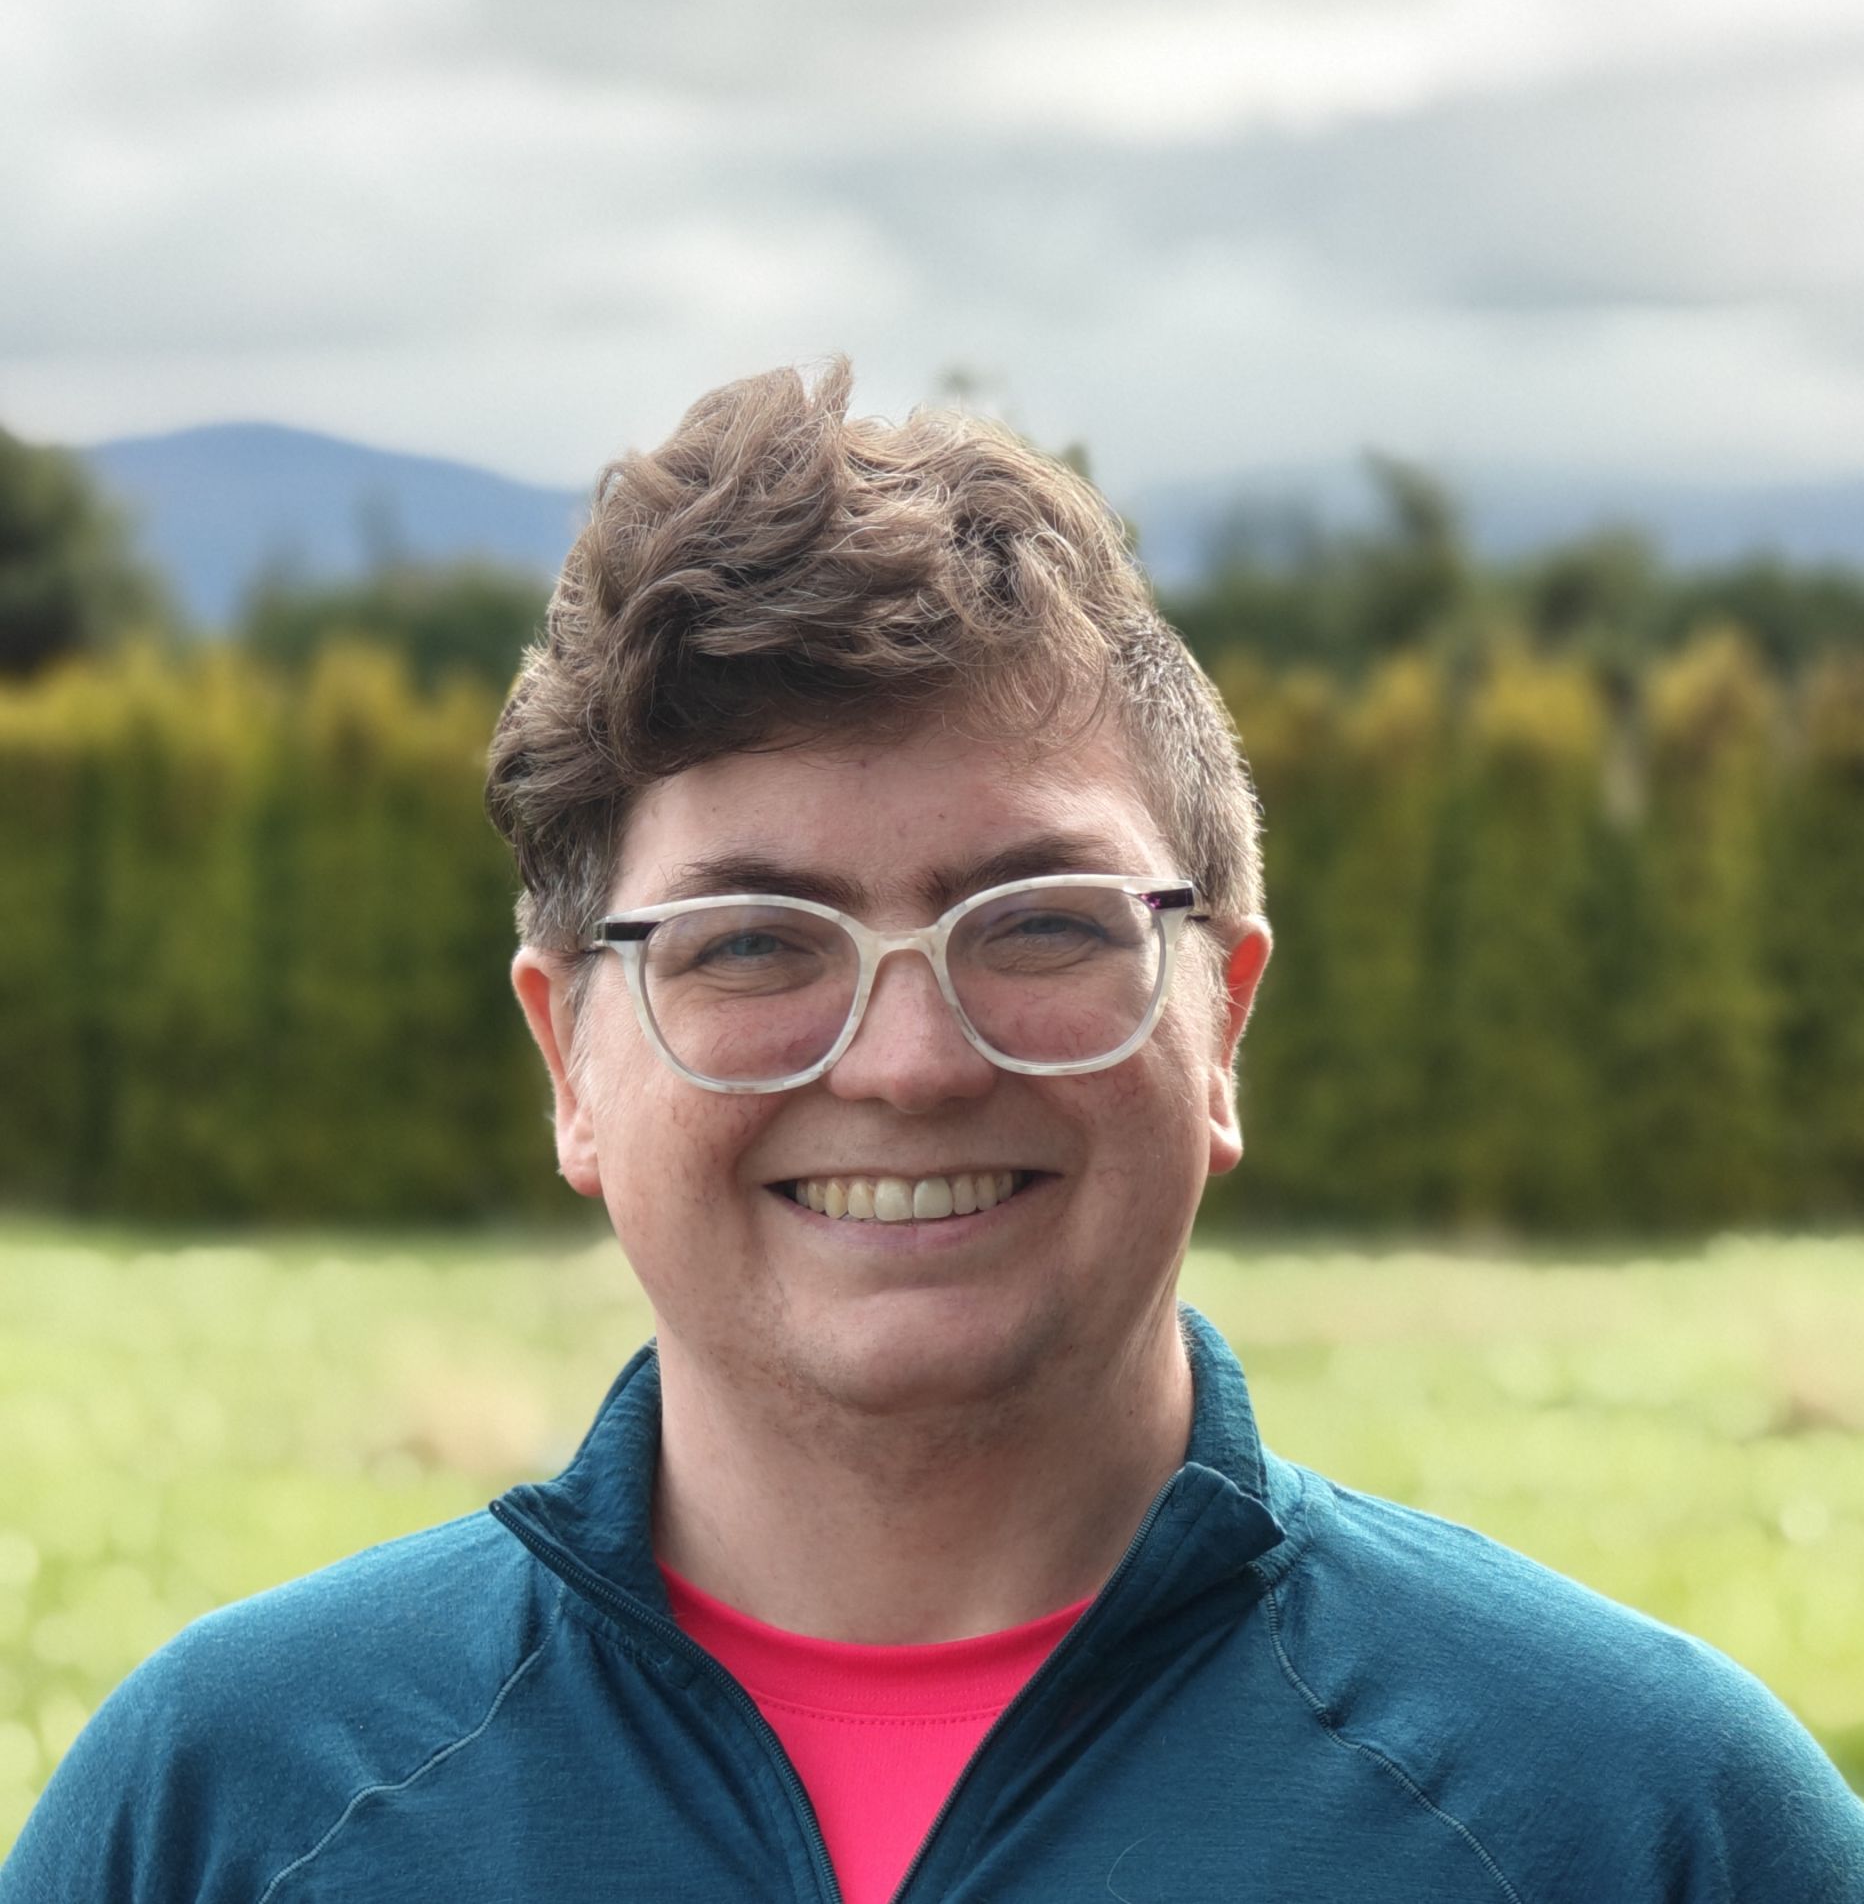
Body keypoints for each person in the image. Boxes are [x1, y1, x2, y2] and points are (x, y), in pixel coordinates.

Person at [5, 362, 1860, 1903]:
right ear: (571, 1057)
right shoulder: (222, 1814)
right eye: (750, 942)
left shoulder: (1643, 1826)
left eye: (1042, 921)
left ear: (1220, 1018)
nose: (905, 1059)